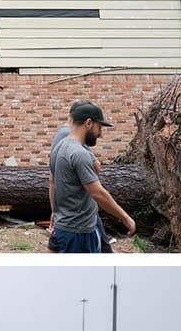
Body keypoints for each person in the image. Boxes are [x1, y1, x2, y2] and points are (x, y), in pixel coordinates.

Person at [49, 102, 135, 253]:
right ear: (88, 123)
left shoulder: (59, 147)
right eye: (99, 127)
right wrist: (125, 217)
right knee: (84, 276)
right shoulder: (79, 153)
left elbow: (52, 181)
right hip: (79, 231)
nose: (100, 134)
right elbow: (98, 193)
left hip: (64, 225)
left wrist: (55, 213)